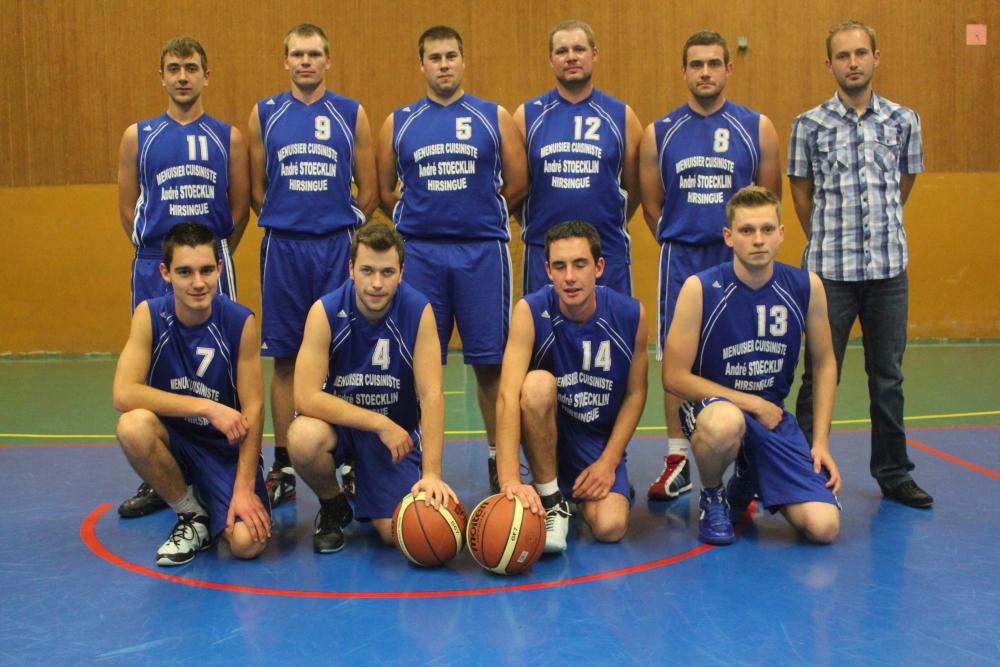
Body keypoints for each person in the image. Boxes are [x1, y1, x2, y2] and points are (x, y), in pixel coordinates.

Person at [376, 25, 527, 495]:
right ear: (421, 65)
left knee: (491, 362)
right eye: (434, 57)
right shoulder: (398, 121)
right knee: (418, 363)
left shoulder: (492, 116)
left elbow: (519, 183)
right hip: (420, 252)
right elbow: (384, 191)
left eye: (451, 56)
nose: (443, 64)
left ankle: (498, 458)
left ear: (464, 62)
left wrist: (481, 213)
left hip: (482, 251)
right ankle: (414, 454)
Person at [789, 20, 931, 508]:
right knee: (817, 374)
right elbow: (801, 195)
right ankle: (802, 469)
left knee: (888, 377)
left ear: (876, 57)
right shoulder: (808, 125)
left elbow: (904, 183)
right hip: (829, 274)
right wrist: (829, 241)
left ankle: (894, 473)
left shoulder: (903, 120)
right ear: (829, 65)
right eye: (842, 56)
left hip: (889, 271)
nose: (853, 62)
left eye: (860, 53)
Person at [639, 30, 782, 502]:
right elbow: (651, 204)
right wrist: (685, 232)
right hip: (682, 256)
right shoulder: (660, 131)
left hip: (735, 258)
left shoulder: (756, 126)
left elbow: (767, 200)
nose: (705, 72)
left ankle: (748, 457)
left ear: (728, 69)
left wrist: (740, 245)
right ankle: (679, 458)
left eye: (713, 64)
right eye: (696, 64)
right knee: (675, 359)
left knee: (743, 352)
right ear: (683, 71)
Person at [116, 36, 251, 519]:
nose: (182, 76)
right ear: (161, 75)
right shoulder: (139, 135)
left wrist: (211, 262)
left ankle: (232, 457)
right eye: (173, 68)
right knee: (153, 365)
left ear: (206, 75)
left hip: (210, 256)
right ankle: (160, 475)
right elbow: (127, 206)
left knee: (225, 360)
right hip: (155, 259)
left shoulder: (228, 137)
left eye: (191, 67)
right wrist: (165, 262)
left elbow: (239, 207)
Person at [664, 186, 841, 545]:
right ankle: (713, 495)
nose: (757, 240)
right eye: (746, 231)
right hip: (712, 411)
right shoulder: (701, 288)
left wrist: (820, 442)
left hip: (771, 418)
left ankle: (749, 476)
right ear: (728, 237)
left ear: (781, 234)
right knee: (724, 422)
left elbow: (824, 364)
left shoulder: (807, 286)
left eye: (766, 229)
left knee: (824, 527)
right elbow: (674, 377)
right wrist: (750, 403)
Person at [248, 24, 378, 508]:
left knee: (343, 356)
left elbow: (370, 188)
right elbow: (256, 189)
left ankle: (346, 458)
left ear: (328, 60)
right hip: (284, 247)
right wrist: (287, 218)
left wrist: (340, 224)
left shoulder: (351, 113)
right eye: (298, 54)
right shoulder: (265, 113)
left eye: (315, 54)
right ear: (286, 61)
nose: (306, 61)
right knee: (285, 356)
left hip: (335, 246)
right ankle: (283, 461)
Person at [287, 222, 457, 552]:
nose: (376, 283)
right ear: (351, 268)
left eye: (387, 272)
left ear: (401, 273)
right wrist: (379, 423)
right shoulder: (324, 311)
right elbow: (305, 396)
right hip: (348, 427)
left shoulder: (418, 311)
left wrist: (432, 473)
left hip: (396, 436)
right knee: (303, 437)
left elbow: (431, 394)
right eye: (367, 270)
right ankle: (334, 504)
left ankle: (365, 481)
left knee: (398, 533)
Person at [112, 222, 270, 566]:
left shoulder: (239, 322)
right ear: (165, 273)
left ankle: (213, 494)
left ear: (218, 269)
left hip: (222, 450)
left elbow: (254, 408)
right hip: (177, 439)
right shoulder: (150, 315)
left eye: (206, 270)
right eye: (185, 272)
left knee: (247, 544)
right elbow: (124, 393)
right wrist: (207, 407)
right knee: (132, 426)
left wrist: (243, 487)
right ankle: (191, 514)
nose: (198, 283)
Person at [495, 221, 648, 553]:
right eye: (560, 266)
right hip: (548, 432)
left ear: (599, 267)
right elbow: (508, 396)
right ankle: (552, 499)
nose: (570, 277)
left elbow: (636, 394)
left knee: (610, 528)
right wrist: (508, 480)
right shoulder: (531, 311)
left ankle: (596, 485)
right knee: (536, 385)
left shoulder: (630, 314)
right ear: (548, 270)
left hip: (596, 440)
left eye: (580, 264)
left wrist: (608, 462)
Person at [512, 19, 642, 295]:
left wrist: (607, 219)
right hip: (544, 254)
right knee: (544, 336)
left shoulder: (622, 116)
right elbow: (516, 187)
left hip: (607, 250)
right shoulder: (526, 117)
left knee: (612, 334)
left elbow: (635, 189)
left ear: (594, 54)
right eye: (562, 51)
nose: (571, 57)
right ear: (551, 59)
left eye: (579, 49)